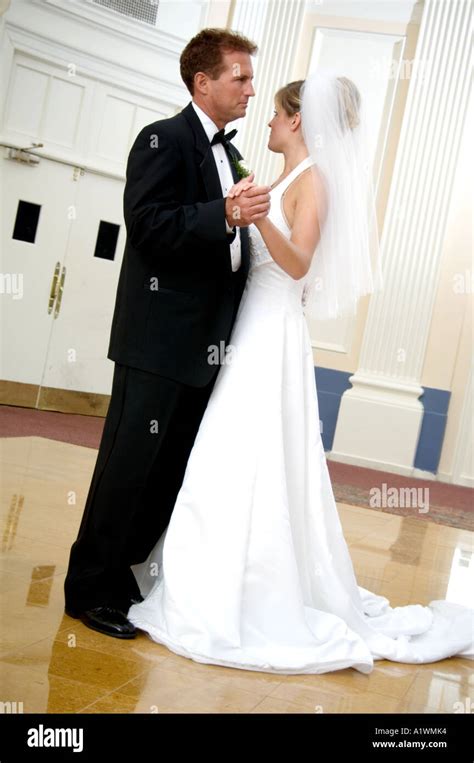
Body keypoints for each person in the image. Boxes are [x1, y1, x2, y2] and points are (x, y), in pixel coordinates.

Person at [127, 71, 474, 673]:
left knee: (247, 453)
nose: (264, 121)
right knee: (230, 454)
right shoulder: (287, 175)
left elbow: (298, 266)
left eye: (275, 114)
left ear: (296, 120)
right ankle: (201, 578)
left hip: (271, 332)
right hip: (248, 328)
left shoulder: (314, 182)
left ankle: (250, 593)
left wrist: (256, 216)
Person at [63, 28, 270, 638]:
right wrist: (223, 214)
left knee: (168, 474)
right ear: (203, 82)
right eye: (241, 77)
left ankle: (125, 585)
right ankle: (87, 591)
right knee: (127, 469)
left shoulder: (230, 154)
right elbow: (148, 226)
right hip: (156, 343)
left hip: (207, 346)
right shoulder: (162, 139)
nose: (251, 90)